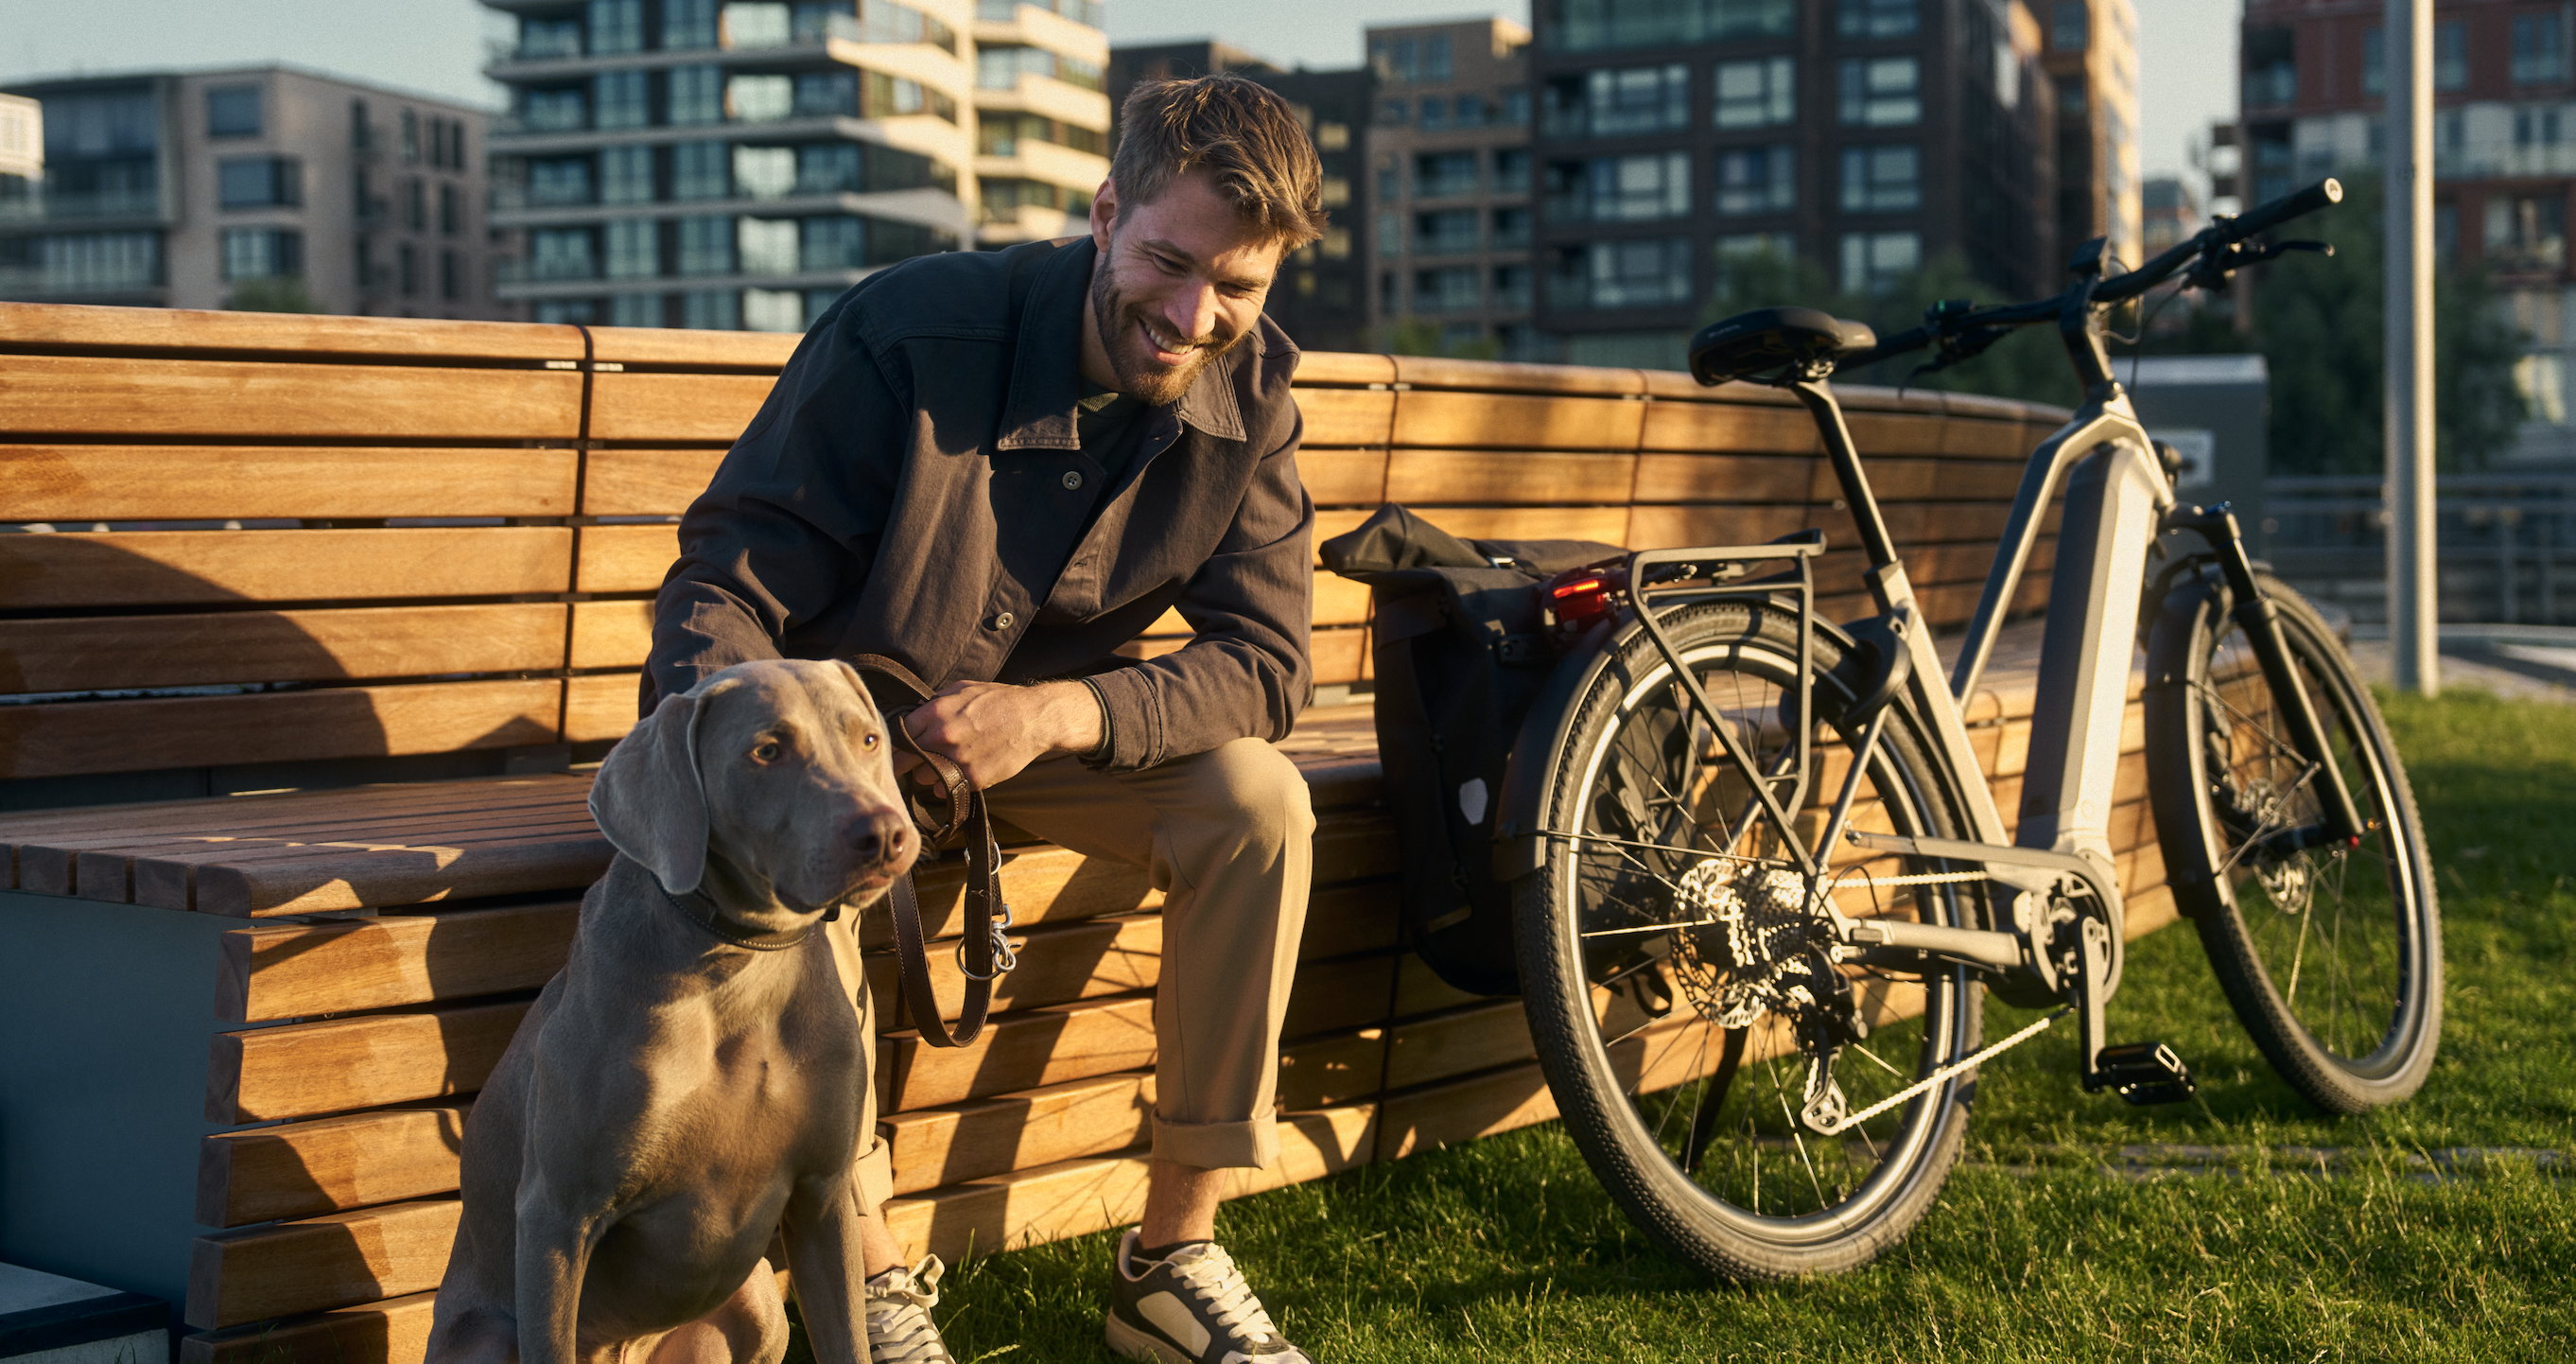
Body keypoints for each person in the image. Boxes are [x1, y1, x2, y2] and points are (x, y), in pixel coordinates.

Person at [639, 74, 1327, 1364]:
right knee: (793, 865)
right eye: (1168, 263)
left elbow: (1268, 664)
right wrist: (768, 774)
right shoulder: (912, 333)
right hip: (850, 756)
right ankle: (875, 1280)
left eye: (1236, 288)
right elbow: (726, 580)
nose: (1191, 318)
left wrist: (1066, 711)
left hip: (1040, 749)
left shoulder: (1257, 399)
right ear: (1106, 207)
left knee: (1259, 804)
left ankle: (1173, 1254)